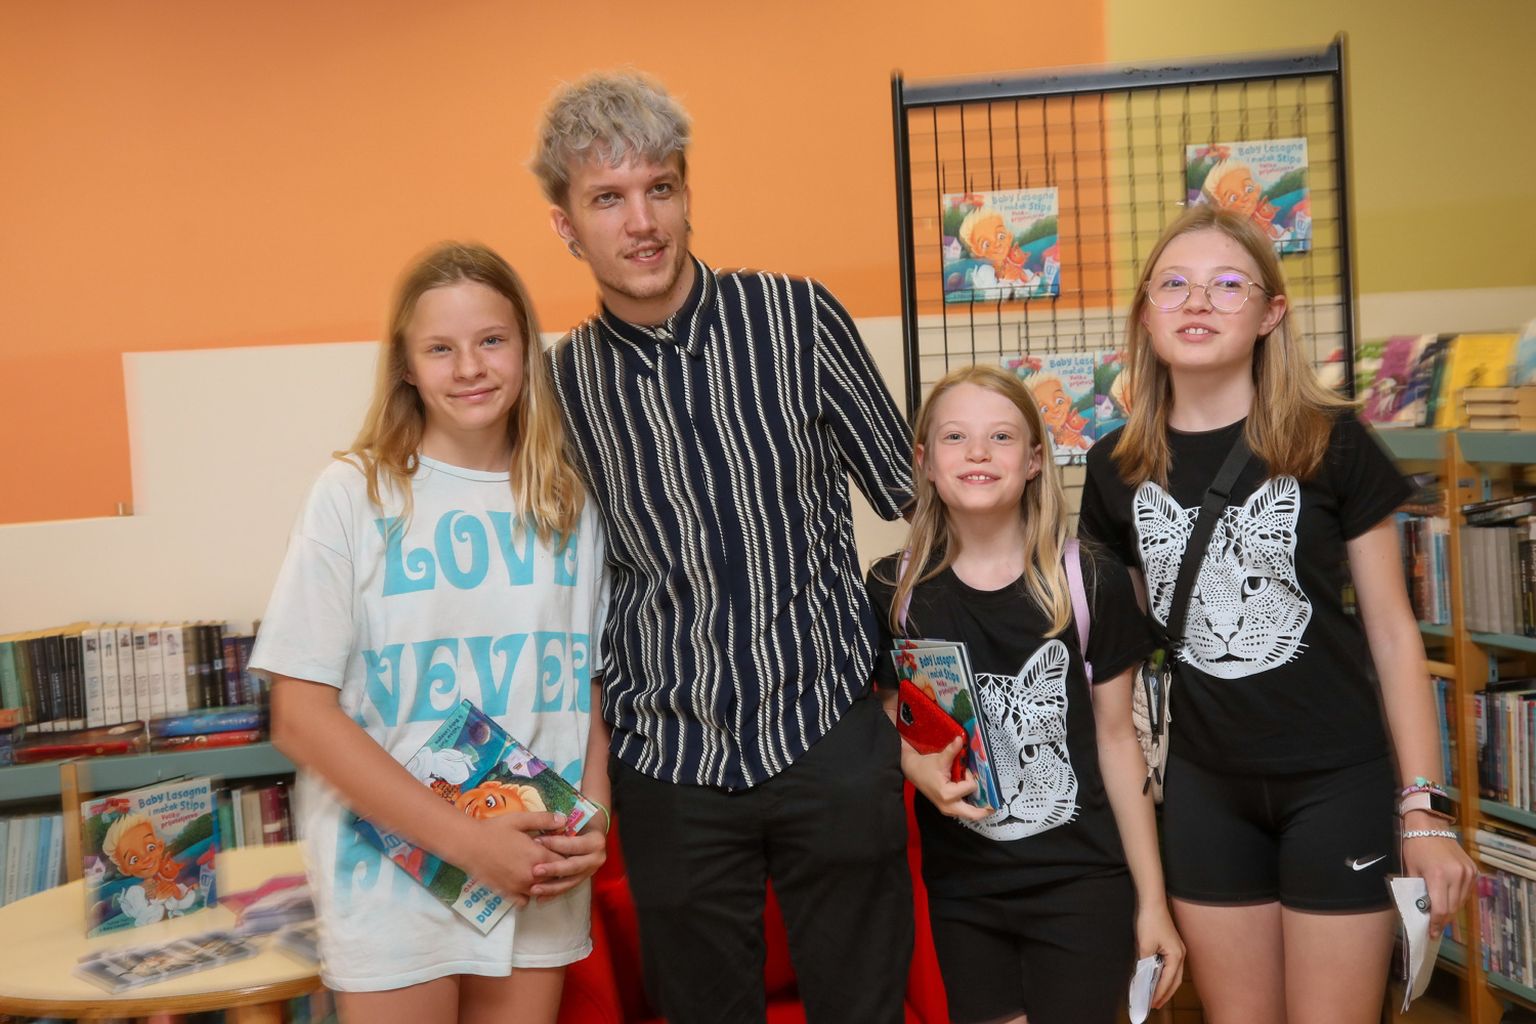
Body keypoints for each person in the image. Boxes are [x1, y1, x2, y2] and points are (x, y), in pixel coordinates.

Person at [532, 71, 916, 1023]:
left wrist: (912, 687)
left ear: (687, 192)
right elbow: (557, 587)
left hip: (828, 728)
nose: (642, 222)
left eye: (660, 188)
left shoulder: (797, 317)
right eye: (608, 199)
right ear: (567, 226)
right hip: (669, 759)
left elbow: (920, 502)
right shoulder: (557, 388)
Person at [1077, 206, 1477, 1023]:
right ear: (1146, 313)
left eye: (1228, 285)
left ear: (1270, 313)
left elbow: (1393, 635)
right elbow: (1124, 643)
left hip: (1337, 781)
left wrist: (1424, 809)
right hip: (1205, 792)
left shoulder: (1331, 442)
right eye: (1173, 284)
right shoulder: (1115, 467)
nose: (1198, 301)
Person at [251, 243, 611, 1024]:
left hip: (535, 867)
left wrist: (595, 817)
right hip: (389, 883)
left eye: (492, 340)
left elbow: (586, 689)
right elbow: (299, 717)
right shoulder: (353, 494)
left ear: (526, 348)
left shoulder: (568, 502)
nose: (470, 367)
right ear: (406, 366)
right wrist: (469, 844)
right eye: (440, 348)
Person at [866, 364, 1184, 1024]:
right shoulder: (895, 592)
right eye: (955, 437)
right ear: (924, 462)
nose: (978, 453)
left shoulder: (1088, 582)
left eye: (1002, 437)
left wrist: (1153, 903)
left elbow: (1118, 742)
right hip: (963, 891)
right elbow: (888, 714)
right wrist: (910, 763)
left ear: (1036, 460)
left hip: (1081, 884)